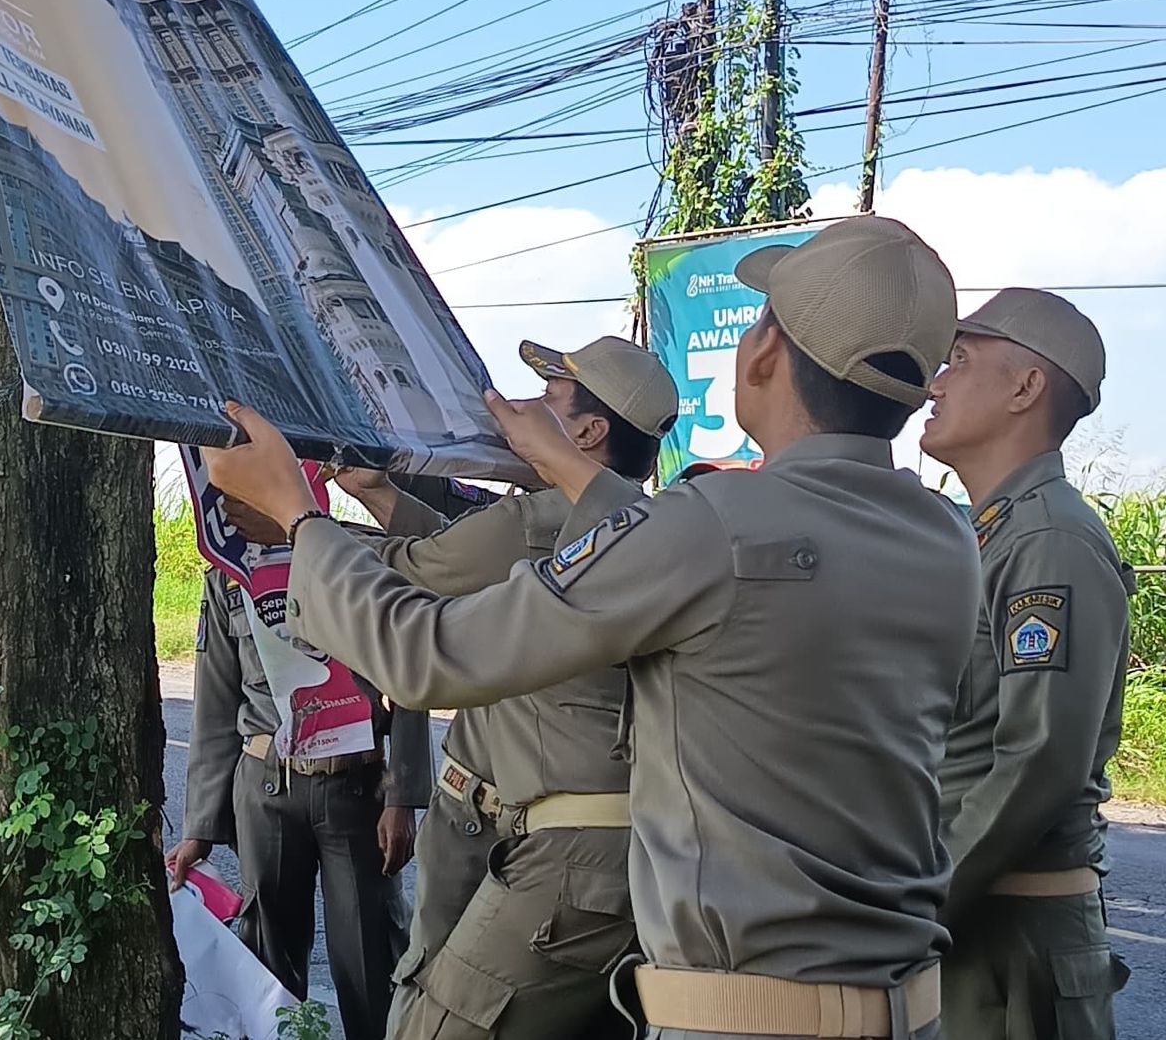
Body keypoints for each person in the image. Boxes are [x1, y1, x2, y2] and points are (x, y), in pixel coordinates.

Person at [205, 215, 982, 1040]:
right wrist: (566, 465)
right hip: (903, 1008)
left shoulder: (713, 523)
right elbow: (684, 546)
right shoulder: (946, 540)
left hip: (743, 1016)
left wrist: (297, 514)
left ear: (763, 353)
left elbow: (430, 655)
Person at [324, 337, 678, 1039]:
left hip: (540, 844)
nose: (519, 410)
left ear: (587, 433)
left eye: (547, 400)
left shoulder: (538, 520)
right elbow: (466, 558)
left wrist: (294, 527)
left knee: (436, 1018)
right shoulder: (634, 526)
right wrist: (381, 495)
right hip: (614, 845)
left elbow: (416, 575)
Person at [921, 289, 1133, 1038]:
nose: (935, 384)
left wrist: (920, 905)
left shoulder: (1049, 540)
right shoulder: (995, 535)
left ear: (1025, 388)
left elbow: (1041, 757)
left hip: (1009, 937)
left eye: (958, 361)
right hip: (977, 923)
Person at [167, 519, 431, 1040]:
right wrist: (200, 828)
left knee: (370, 955)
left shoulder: (362, 554)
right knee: (268, 968)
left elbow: (409, 675)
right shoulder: (229, 572)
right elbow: (215, 705)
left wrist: (401, 797)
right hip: (266, 789)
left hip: (357, 786)